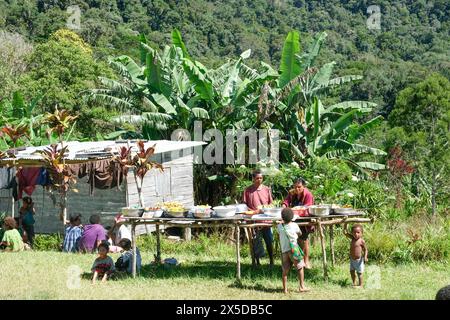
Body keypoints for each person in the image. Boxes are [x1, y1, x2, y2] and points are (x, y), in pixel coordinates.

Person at [242, 169, 274, 266]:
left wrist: (264, 209)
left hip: (266, 220)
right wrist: (253, 211)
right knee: (255, 242)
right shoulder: (248, 190)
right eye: (257, 178)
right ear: (253, 179)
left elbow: (271, 203)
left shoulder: (266, 189)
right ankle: (257, 262)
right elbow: (244, 205)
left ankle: (271, 261)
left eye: (261, 178)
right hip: (254, 220)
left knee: (269, 241)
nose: (259, 180)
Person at [282, 178, 314, 269]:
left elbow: (308, 206)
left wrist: (298, 208)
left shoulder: (308, 194)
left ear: (303, 186)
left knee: (304, 240)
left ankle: (306, 261)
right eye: (295, 187)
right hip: (294, 219)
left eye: (299, 187)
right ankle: (296, 260)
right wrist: (284, 206)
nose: (297, 189)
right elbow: (286, 201)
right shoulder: (292, 193)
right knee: (295, 240)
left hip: (305, 219)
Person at [277, 208, 309, 293]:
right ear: (292, 217)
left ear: (282, 217)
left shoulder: (279, 226)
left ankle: (285, 289)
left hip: (284, 250)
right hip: (293, 249)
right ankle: (301, 286)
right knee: (300, 267)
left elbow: (279, 233)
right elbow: (300, 233)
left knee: (285, 269)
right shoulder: (294, 225)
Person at [343, 223, 368, 288]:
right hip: (352, 259)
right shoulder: (352, 238)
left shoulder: (361, 241)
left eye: (358, 232)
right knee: (352, 272)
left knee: (359, 273)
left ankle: (361, 285)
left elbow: (365, 250)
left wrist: (365, 257)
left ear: (362, 233)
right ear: (352, 233)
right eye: (354, 232)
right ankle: (354, 283)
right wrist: (345, 223)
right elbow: (345, 232)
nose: (356, 234)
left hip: (359, 260)